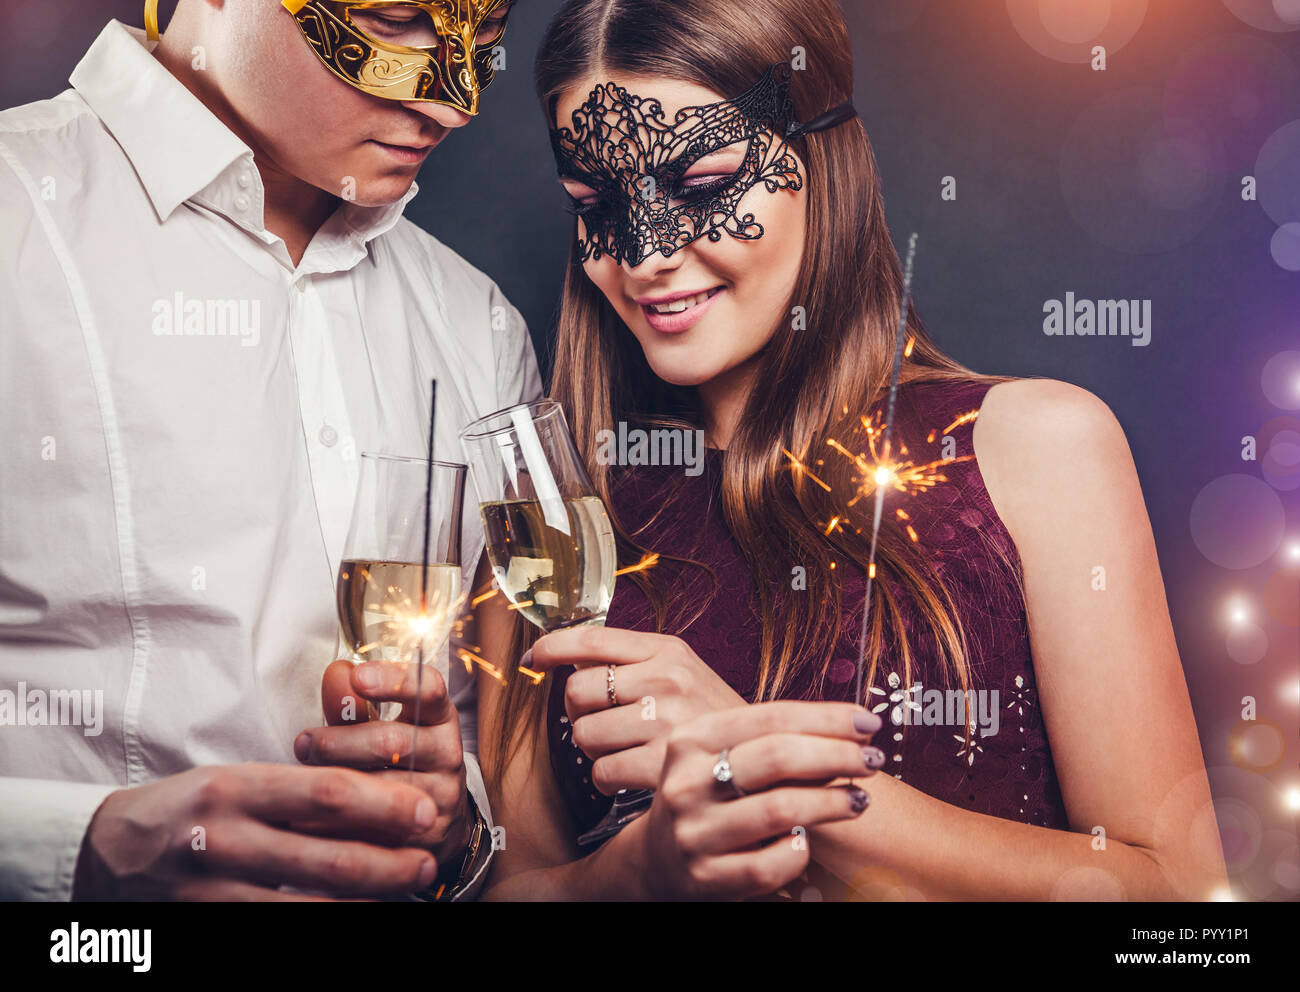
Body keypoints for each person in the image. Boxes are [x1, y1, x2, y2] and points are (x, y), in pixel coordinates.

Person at [472, 0, 1228, 901]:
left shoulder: (1034, 449)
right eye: (596, 205)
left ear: (819, 158)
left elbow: (1182, 913)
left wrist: (770, 772)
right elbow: (518, 887)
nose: (645, 256)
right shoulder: (552, 535)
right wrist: (639, 870)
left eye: (706, 181)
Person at [0, 0, 539, 901]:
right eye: (396, 20)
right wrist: (84, 847)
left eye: (482, 40)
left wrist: (456, 822)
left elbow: (499, 806)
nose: (454, 102)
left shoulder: (476, 328)